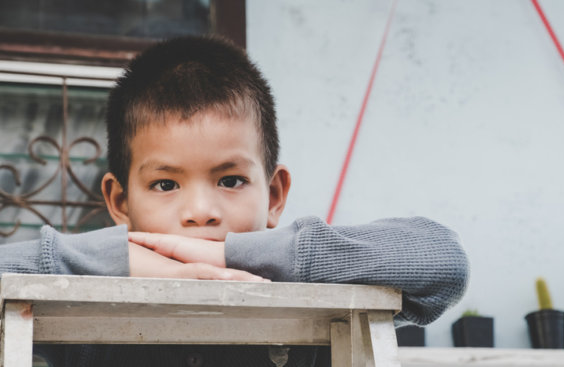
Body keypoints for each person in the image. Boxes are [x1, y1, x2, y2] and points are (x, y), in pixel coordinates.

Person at [0, 36, 468, 367]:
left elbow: (441, 260)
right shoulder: (86, 305)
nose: (201, 210)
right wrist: (120, 258)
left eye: (230, 180)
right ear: (120, 201)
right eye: (166, 184)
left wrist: (229, 253)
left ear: (275, 194)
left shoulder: (305, 294)